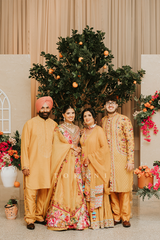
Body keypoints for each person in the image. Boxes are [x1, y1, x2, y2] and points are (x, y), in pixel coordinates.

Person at [43, 105, 90, 230]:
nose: (71, 115)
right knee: (64, 186)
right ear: (63, 115)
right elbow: (57, 146)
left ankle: (77, 218)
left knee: (76, 186)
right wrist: (71, 147)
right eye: (68, 113)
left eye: (73, 113)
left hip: (76, 162)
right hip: (64, 162)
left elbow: (80, 143)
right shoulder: (59, 129)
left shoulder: (77, 128)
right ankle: (62, 219)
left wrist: (78, 149)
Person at [21, 96, 57, 230]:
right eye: (43, 107)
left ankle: (39, 215)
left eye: (47, 107)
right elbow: (24, 146)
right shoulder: (29, 124)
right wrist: (25, 165)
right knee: (30, 192)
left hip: (48, 165)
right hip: (33, 164)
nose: (45, 110)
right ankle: (30, 218)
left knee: (44, 191)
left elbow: (58, 145)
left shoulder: (54, 125)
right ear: (38, 109)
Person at [101, 95, 134, 228]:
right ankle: (116, 216)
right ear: (104, 106)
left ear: (116, 105)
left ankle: (125, 217)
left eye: (113, 103)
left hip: (122, 158)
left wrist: (130, 160)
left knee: (124, 188)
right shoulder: (103, 120)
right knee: (112, 188)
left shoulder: (124, 119)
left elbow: (130, 140)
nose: (110, 105)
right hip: (108, 160)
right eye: (108, 103)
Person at [80, 108, 114, 229]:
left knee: (96, 192)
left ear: (94, 117)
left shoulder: (99, 130)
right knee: (87, 193)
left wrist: (91, 157)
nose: (87, 118)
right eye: (84, 116)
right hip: (84, 168)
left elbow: (104, 149)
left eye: (89, 115)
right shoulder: (83, 131)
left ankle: (99, 220)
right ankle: (89, 220)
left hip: (96, 167)